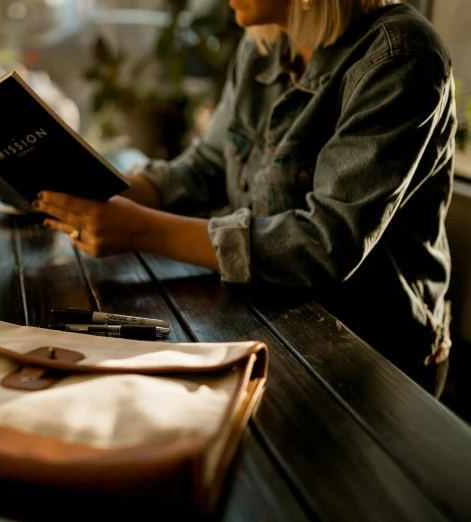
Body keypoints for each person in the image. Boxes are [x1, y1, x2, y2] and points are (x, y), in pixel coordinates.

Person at [33, 0, 456, 397]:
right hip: (274, 326)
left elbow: (324, 244)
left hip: (376, 360)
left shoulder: (401, 56)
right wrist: (92, 191)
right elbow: (206, 166)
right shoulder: (265, 43)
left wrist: (138, 228)